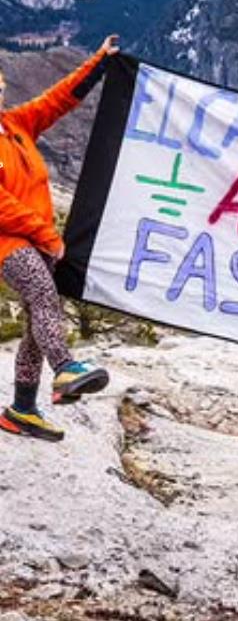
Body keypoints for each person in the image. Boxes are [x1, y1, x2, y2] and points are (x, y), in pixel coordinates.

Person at [0, 35, 120, 443]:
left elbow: (57, 100)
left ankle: (22, 409)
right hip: (8, 244)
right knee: (41, 293)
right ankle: (66, 367)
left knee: (38, 320)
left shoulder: (14, 124)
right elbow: (3, 206)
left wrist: (99, 63)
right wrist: (48, 235)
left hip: (36, 241)